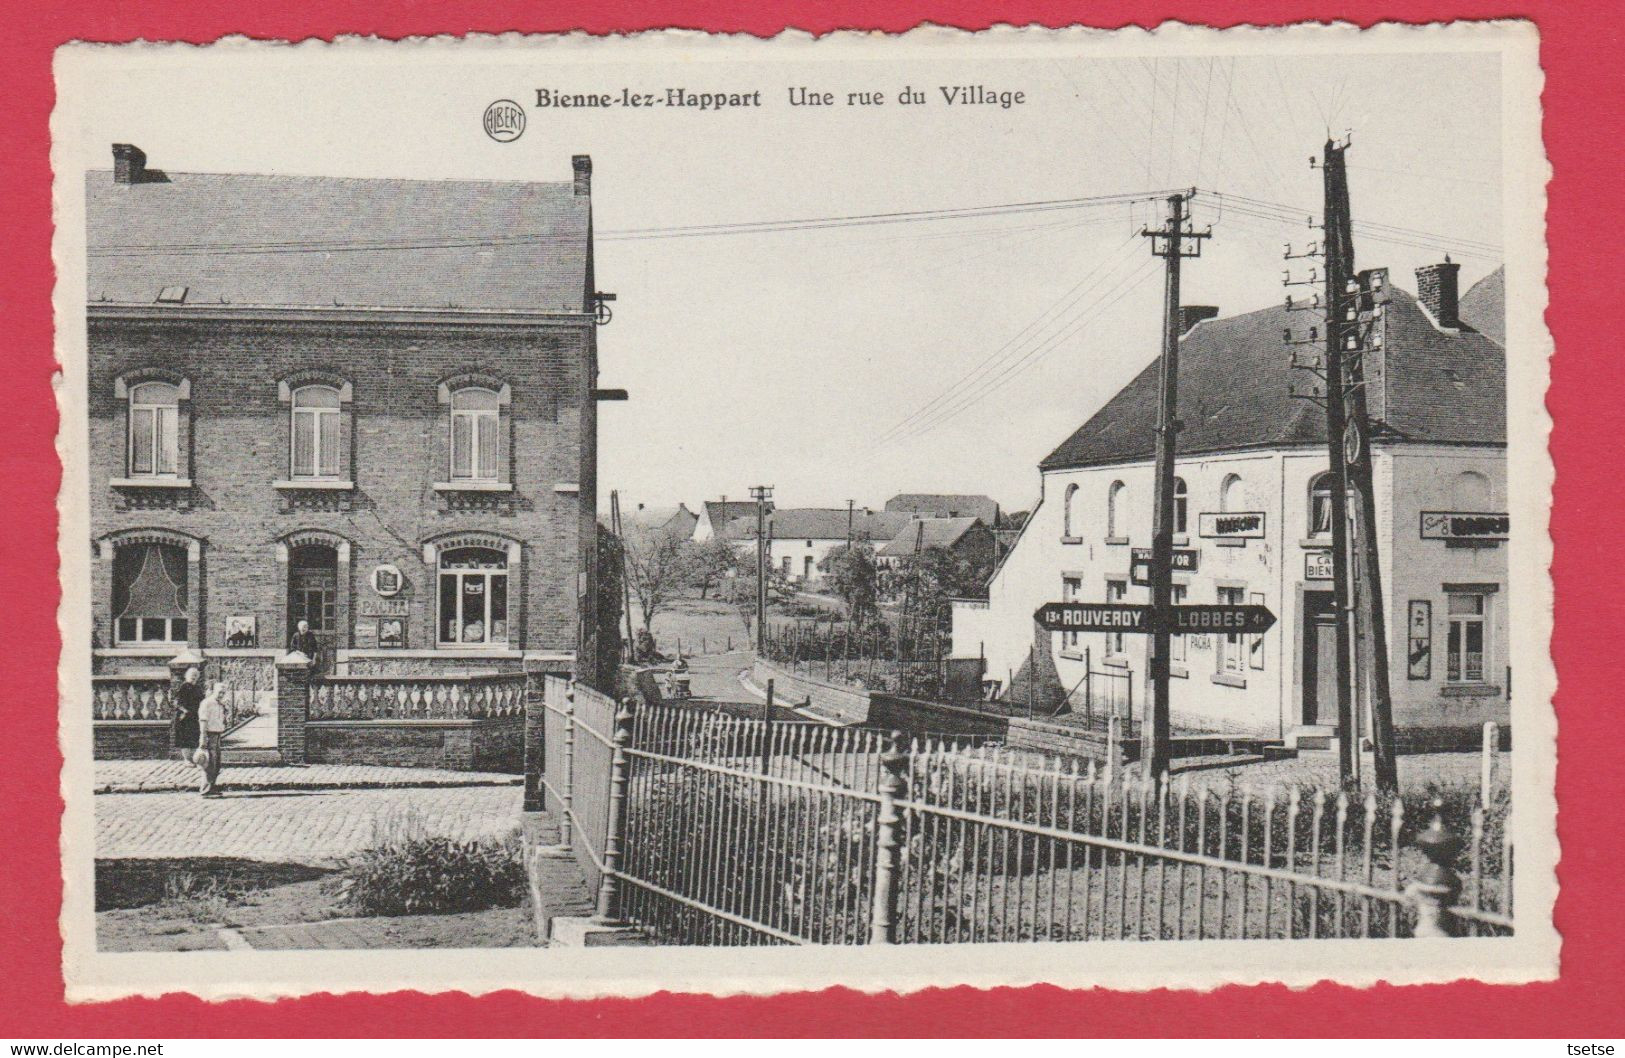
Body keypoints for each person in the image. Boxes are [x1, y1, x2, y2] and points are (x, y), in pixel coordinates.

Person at [196, 681, 227, 797]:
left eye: (223, 693)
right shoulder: (207, 703)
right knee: (209, 763)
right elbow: (203, 720)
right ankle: (205, 789)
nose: (221, 695)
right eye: (219, 692)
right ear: (214, 691)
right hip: (209, 734)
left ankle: (212, 787)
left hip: (217, 734)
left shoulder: (219, 704)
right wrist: (203, 737)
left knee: (216, 763)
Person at [172, 666, 203, 763]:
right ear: (186, 676)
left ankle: (193, 758)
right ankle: (187, 759)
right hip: (185, 717)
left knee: (194, 737)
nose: (193, 677)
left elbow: (202, 700)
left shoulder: (197, 688)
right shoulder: (184, 687)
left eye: (195, 675)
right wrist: (185, 711)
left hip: (195, 716)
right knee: (185, 738)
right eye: (191, 675)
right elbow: (177, 702)